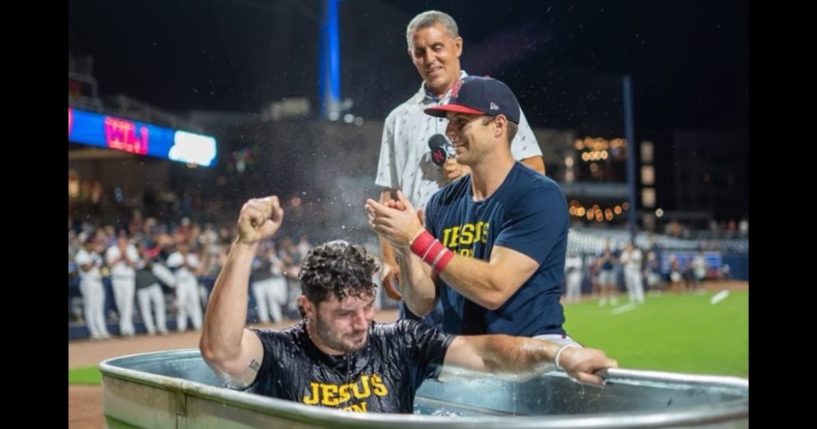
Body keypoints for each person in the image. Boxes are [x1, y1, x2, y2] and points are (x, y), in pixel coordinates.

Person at [200, 196, 616, 414]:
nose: (362, 323)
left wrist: (559, 354)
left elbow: (489, 355)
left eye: (367, 307)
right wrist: (245, 243)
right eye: (344, 314)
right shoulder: (281, 354)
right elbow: (221, 351)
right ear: (306, 307)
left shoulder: (398, 342)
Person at [367, 76, 573, 344]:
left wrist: (418, 239)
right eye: (449, 121)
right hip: (467, 355)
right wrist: (405, 247)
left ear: (498, 125)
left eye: (461, 122)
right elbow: (422, 303)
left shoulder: (538, 194)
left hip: (530, 350)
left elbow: (495, 288)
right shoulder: (442, 202)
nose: (449, 131)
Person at [375, 10, 545, 324]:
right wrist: (389, 261)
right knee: (419, 361)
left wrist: (479, 174)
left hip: (476, 253)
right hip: (418, 264)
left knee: (485, 356)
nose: (429, 58)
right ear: (411, 56)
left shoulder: (492, 100)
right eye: (420, 52)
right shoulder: (397, 119)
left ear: (458, 46)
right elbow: (391, 196)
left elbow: (535, 171)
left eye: (437, 47)